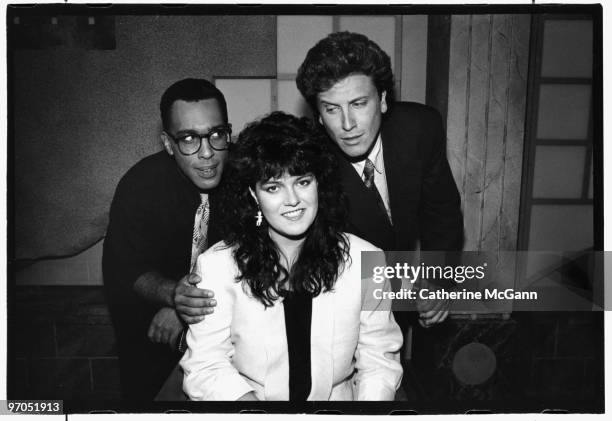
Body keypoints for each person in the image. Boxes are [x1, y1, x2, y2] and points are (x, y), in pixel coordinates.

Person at [180, 112, 403, 401]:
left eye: (302, 181)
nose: (292, 199)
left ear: (318, 184)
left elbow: (379, 362)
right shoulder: (217, 266)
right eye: (273, 187)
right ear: (253, 194)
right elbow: (205, 366)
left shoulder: (368, 260)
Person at [295, 31, 464, 328]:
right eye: (332, 109)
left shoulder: (420, 129)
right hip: (332, 300)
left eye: (359, 104)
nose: (348, 125)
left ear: (383, 100)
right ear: (319, 116)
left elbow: (442, 213)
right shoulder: (308, 158)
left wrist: (438, 283)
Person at [102, 78, 227, 400]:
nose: (207, 153)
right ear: (168, 143)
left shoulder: (247, 176)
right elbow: (125, 270)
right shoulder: (140, 186)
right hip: (151, 336)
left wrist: (184, 307)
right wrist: (174, 295)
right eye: (188, 139)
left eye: (217, 135)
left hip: (223, 338)